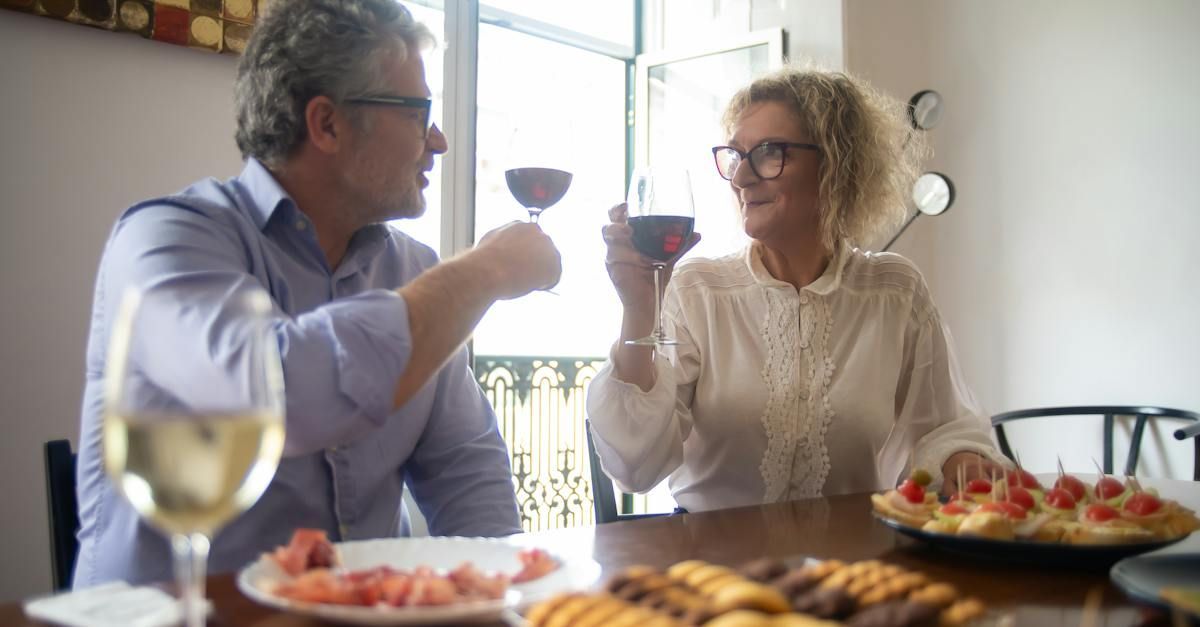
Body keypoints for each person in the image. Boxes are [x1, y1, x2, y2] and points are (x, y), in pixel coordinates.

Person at [73, 0, 560, 587]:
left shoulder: (412, 268)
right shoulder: (163, 241)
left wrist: (500, 596)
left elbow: (466, 471)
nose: (438, 141)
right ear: (327, 124)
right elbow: (281, 396)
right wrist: (488, 270)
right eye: (419, 113)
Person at [587, 66, 1006, 514]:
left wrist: (961, 458)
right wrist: (637, 311)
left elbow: (944, 427)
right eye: (736, 155)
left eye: (768, 153)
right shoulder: (699, 290)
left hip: (852, 563)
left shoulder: (894, 292)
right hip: (715, 565)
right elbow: (635, 468)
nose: (741, 178)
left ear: (837, 165)